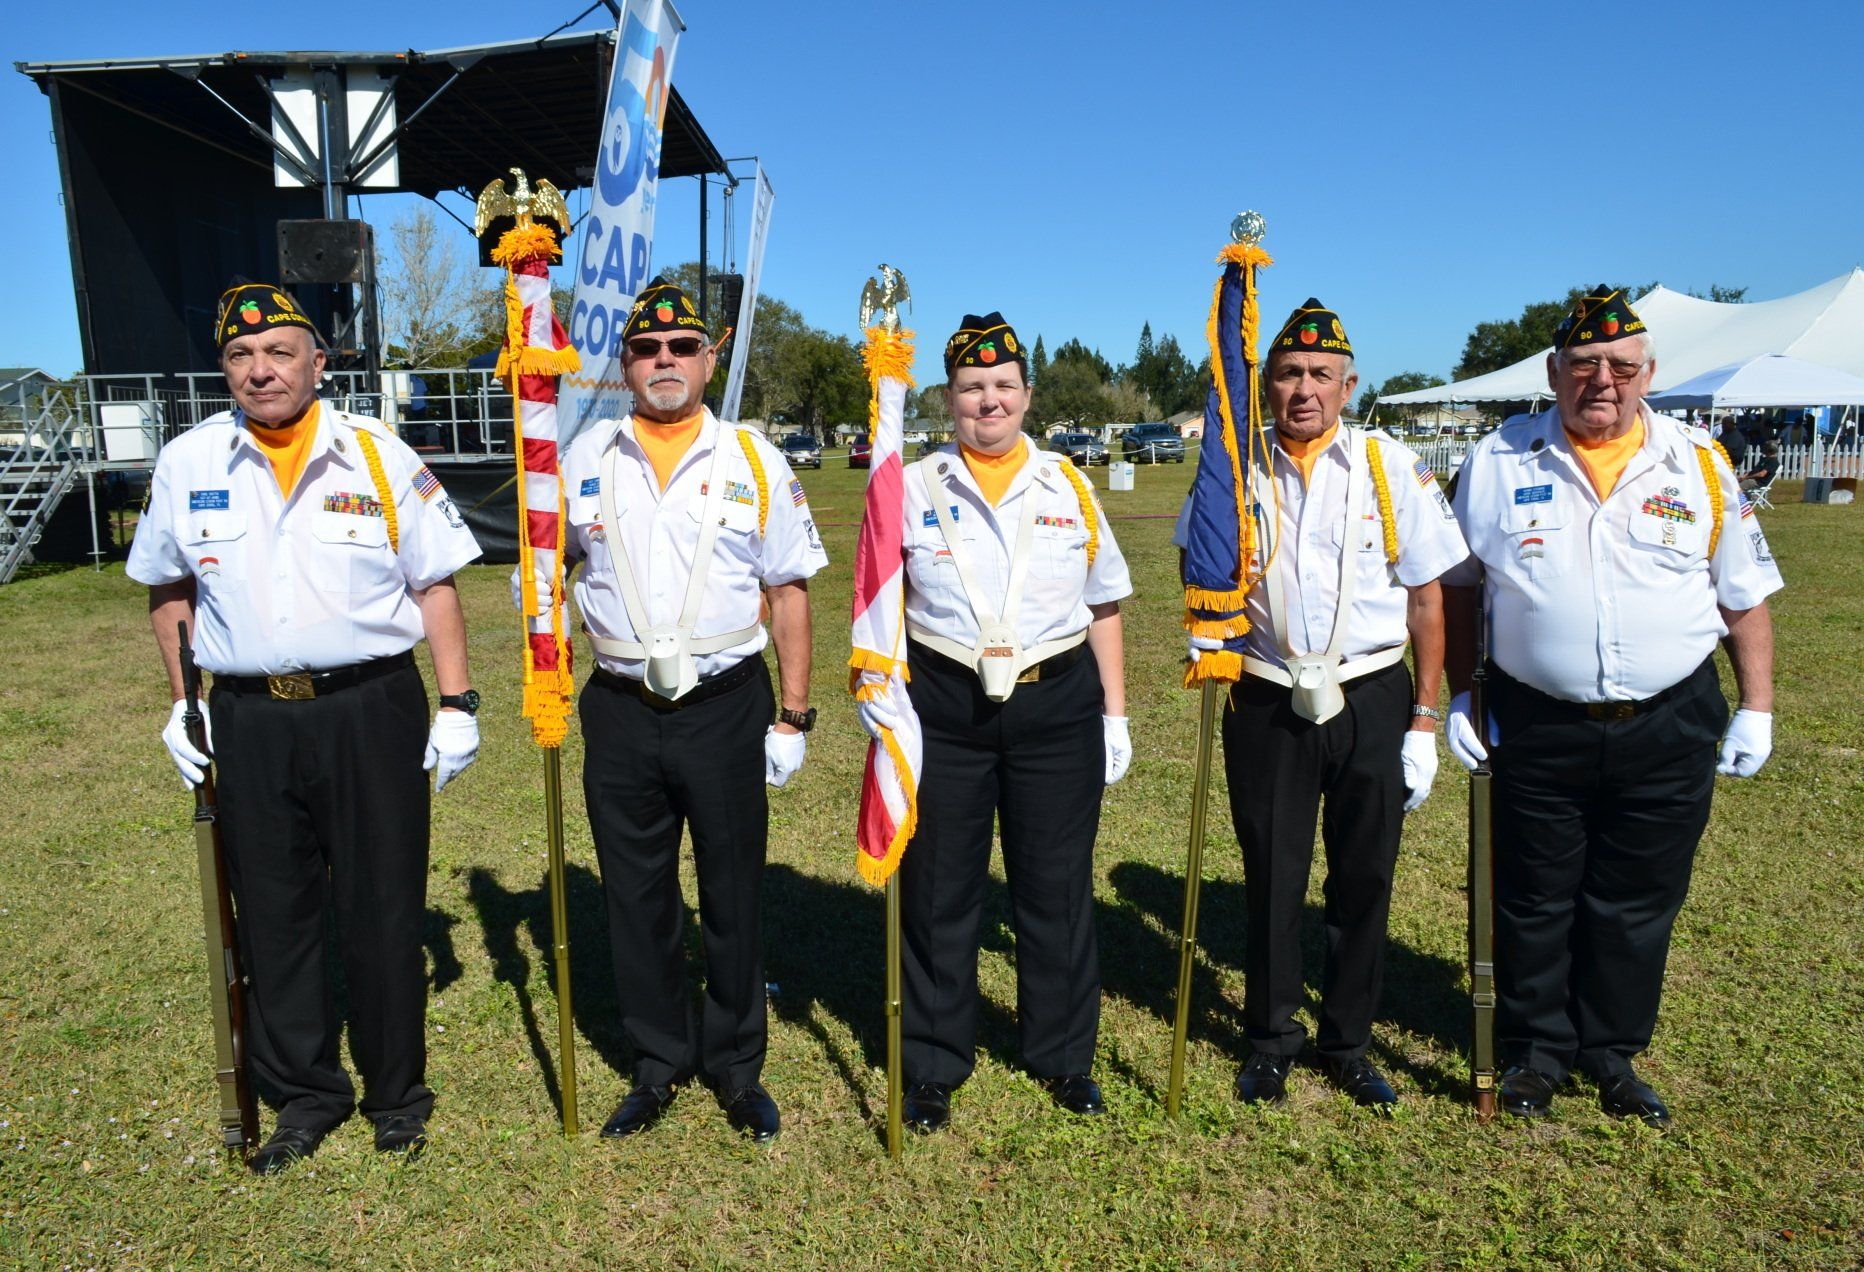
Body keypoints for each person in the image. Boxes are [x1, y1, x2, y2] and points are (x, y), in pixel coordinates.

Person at [130, 283, 482, 1173]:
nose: (261, 370)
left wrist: (456, 702)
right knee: (273, 911)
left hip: (370, 707)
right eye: (241, 356)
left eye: (280, 352)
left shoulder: (377, 454)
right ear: (225, 370)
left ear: (318, 362)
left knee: (383, 903)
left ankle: (397, 1094)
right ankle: (305, 1095)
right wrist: (182, 701)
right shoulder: (188, 461)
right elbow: (169, 589)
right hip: (249, 716)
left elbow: (434, 584)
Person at [1441, 286, 1782, 1128]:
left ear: (1649, 375)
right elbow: (1458, 589)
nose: (1604, 381)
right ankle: (1536, 1051)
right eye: (1586, 364)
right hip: (1536, 719)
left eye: (1623, 367)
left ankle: (1611, 1052)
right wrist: (1459, 694)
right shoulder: (1499, 459)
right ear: (1554, 372)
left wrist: (1758, 705)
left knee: (1638, 897)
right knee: (1533, 894)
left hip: (1669, 721)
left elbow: (1742, 594)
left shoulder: (1698, 462)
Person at [1175, 299, 1469, 1114]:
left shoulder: (1387, 466)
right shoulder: (1234, 469)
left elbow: (1427, 600)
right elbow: (1198, 563)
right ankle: (1271, 1038)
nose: (1303, 389)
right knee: (1273, 873)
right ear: (1266, 384)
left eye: (1320, 374)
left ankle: (1349, 1043)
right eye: (1288, 374)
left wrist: (1423, 718)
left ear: (1349, 385)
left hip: (1370, 691)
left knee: (1364, 875)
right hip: (1267, 695)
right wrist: (1206, 631)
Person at [562, 278, 825, 1144]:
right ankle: (656, 1062)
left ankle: (737, 1066)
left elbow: (788, 590)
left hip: (725, 705)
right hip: (620, 708)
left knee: (732, 890)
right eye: (646, 349)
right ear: (625, 365)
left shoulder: (754, 459)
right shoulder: (583, 459)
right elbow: (549, 571)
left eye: (682, 347)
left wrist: (793, 715)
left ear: (709, 360)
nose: (664, 361)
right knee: (634, 894)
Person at [860, 312, 1132, 1133]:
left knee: (1056, 887)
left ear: (1027, 394)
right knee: (939, 890)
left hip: (1056, 705)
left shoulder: (1068, 484)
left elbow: (1104, 603)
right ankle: (933, 1062)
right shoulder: (910, 485)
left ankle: (1063, 1056)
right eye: (973, 387)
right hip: (945, 708)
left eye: (1003, 385)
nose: (989, 401)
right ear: (948, 399)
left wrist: (1115, 714)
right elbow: (880, 594)